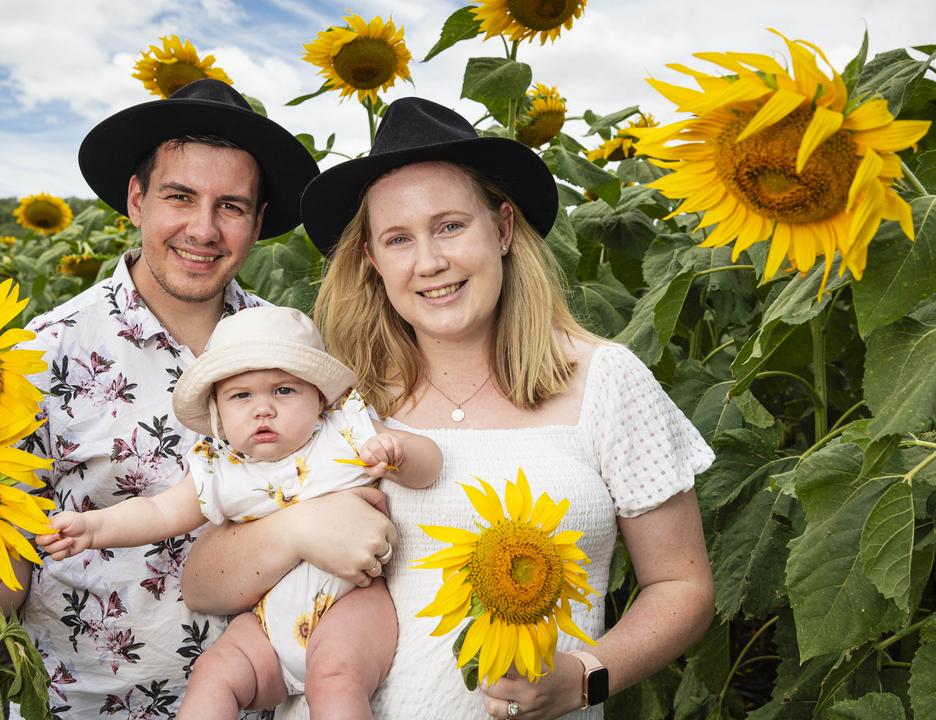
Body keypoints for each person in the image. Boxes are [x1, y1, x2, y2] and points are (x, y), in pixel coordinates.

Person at [182, 97, 717, 720]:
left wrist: (582, 679)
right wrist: (299, 529)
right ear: (375, 263)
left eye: (450, 226)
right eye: (398, 239)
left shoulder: (604, 380)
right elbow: (206, 584)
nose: (429, 262)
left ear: (504, 228)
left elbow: (682, 588)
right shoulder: (343, 399)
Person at [0, 78, 332, 719]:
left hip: (268, 697)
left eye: (232, 206)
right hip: (91, 702)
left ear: (259, 222)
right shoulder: (35, 357)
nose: (204, 228)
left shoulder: (290, 346)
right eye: (179, 197)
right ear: (137, 200)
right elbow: (2, 578)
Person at [35, 306, 441, 719]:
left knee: (335, 680)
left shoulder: (346, 433)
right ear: (218, 415)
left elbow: (431, 465)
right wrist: (93, 527)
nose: (262, 408)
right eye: (241, 396)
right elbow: (158, 512)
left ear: (319, 397)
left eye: (284, 390)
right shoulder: (220, 467)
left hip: (351, 603)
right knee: (216, 671)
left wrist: (400, 454)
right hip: (267, 621)